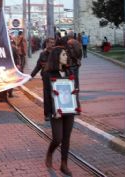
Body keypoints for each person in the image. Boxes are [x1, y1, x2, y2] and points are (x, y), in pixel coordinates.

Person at [43, 46, 77, 176]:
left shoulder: (69, 72)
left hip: (69, 109)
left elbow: (74, 90)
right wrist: (49, 112)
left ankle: (64, 164)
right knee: (57, 138)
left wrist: (76, 106)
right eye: (63, 55)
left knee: (66, 138)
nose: (66, 57)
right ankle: (50, 152)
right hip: (56, 110)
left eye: (66, 55)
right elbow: (47, 94)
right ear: (57, 57)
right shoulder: (48, 74)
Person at [31, 37, 55, 121]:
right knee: (47, 96)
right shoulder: (42, 54)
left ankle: (55, 112)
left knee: (55, 95)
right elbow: (38, 66)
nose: (52, 44)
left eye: (53, 43)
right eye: (50, 42)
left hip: (55, 77)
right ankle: (47, 114)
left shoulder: (56, 53)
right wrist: (31, 75)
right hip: (46, 77)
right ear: (47, 43)